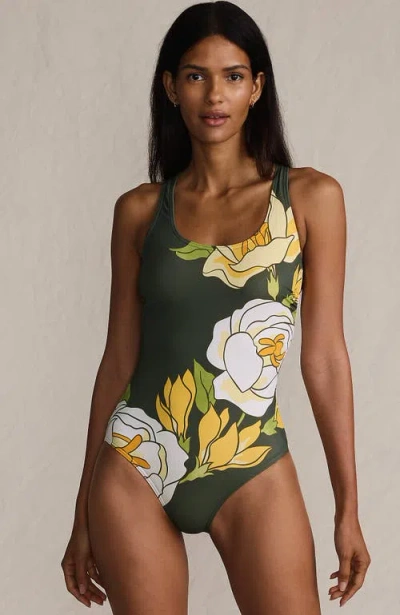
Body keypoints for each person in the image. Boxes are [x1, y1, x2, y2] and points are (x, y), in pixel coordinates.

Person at [61, 2, 371, 613]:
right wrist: (81, 514)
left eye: (232, 75)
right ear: (170, 87)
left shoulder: (310, 199)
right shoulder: (140, 211)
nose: (214, 94)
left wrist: (348, 508)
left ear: (257, 88)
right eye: (196, 75)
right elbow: (118, 359)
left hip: (250, 462)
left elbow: (326, 358)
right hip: (135, 463)